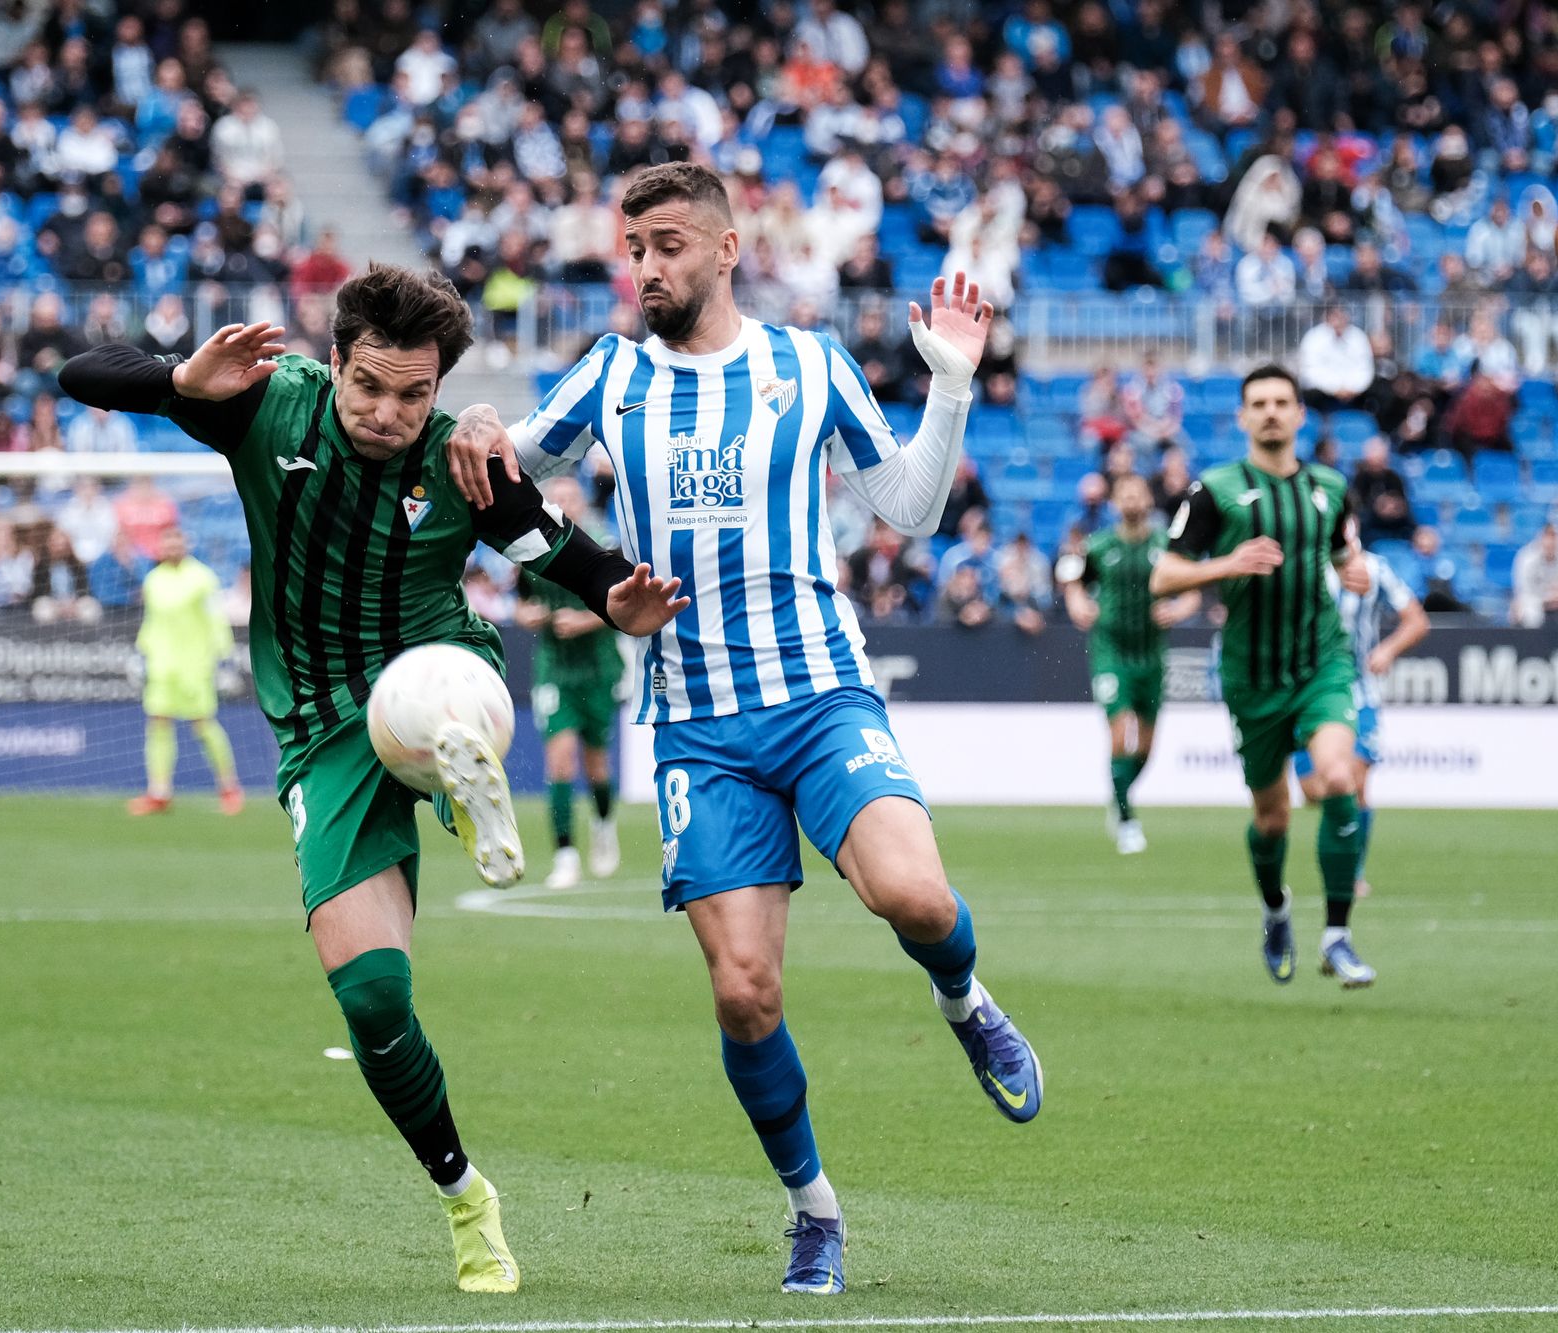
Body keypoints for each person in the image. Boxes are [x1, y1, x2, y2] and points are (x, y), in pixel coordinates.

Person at [446, 163, 1042, 1296]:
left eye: (667, 244)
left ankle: (965, 1003)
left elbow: (907, 508)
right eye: (631, 249)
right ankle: (812, 1210)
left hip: (819, 692)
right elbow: (500, 471)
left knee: (913, 897)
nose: (645, 268)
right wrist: (480, 420)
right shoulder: (611, 375)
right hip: (698, 725)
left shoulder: (806, 363)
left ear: (726, 251)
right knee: (742, 992)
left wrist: (951, 385)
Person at [57, 263, 685, 1296]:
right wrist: (183, 381)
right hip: (319, 729)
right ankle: (464, 1196)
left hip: (440, 669)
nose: (391, 413)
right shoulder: (266, 405)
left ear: (439, 386)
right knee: (374, 1001)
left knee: (437, 693)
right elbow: (84, 372)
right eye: (371, 389)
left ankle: (455, 773)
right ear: (335, 361)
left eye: (416, 395)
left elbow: (555, 549)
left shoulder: (461, 458)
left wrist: (618, 596)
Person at [1151, 365, 1378, 989]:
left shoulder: (1331, 487)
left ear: (1301, 414)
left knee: (1337, 778)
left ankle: (1337, 935)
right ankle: (1276, 909)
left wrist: (1352, 571)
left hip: (1321, 663)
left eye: (1282, 401)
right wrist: (1228, 563)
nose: (1272, 412)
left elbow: (1339, 553)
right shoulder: (1214, 490)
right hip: (1252, 676)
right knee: (1272, 816)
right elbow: (1163, 577)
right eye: (1259, 403)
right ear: (1243, 418)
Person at [1056, 473, 1199, 856]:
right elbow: (1072, 576)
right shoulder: (1099, 545)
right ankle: (1126, 818)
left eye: (1138, 494)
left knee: (1147, 748)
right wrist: (1076, 601)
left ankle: (1118, 795)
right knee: (1121, 735)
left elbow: (1192, 591)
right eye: (1125, 495)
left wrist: (1180, 608)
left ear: (1148, 499)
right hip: (1111, 651)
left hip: (1152, 655)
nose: (1132, 501)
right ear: (1115, 503)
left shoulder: (1165, 544)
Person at [1291, 549, 1428, 902]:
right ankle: (1342, 844)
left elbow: (1416, 620)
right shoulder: (1304, 564)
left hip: (1359, 691)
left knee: (1355, 781)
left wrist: (1387, 650)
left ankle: (1352, 873)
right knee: (1312, 791)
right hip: (1306, 691)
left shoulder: (1375, 568)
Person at [514, 476, 625, 890]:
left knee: (597, 762)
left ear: (580, 504)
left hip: (598, 668)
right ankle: (564, 854)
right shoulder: (530, 548)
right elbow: (522, 602)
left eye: (568, 498)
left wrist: (582, 621)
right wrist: (530, 616)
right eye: (554, 499)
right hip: (554, 670)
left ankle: (603, 824)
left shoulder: (606, 546)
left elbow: (624, 608)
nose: (562, 504)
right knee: (560, 761)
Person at [127, 526, 244, 817]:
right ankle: (159, 792)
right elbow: (152, 621)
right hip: (162, 666)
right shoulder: (153, 580)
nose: (172, 548)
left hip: (194, 666)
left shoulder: (202, 578)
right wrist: (142, 651)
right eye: (166, 543)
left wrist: (224, 654)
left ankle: (229, 787)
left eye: (176, 542)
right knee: (158, 722)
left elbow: (216, 618)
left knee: (203, 724)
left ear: (186, 545)